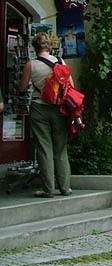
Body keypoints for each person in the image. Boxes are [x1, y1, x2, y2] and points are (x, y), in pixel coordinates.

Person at [18, 32, 71, 198]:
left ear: (34, 47)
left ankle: (48, 189)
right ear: (49, 46)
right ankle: (65, 187)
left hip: (39, 107)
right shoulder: (61, 62)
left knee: (44, 147)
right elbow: (70, 86)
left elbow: (22, 87)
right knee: (60, 148)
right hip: (59, 109)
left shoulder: (31, 65)